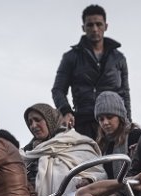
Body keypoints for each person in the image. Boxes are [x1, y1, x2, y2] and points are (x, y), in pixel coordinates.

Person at [20, 103, 105, 196]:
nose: (33, 125)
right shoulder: (30, 153)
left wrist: (89, 180)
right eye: (29, 122)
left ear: (50, 119)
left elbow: (98, 172)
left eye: (37, 120)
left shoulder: (77, 143)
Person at [52, 4, 131, 139]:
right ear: (83, 28)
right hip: (84, 123)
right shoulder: (71, 57)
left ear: (106, 26)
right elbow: (58, 89)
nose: (95, 29)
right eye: (90, 25)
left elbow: (125, 92)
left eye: (99, 24)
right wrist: (66, 111)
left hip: (114, 124)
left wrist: (128, 120)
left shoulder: (119, 58)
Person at [93, 91, 141, 196]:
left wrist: (120, 194)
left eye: (109, 117)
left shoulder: (136, 136)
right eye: (101, 119)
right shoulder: (102, 145)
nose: (105, 122)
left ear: (120, 116)